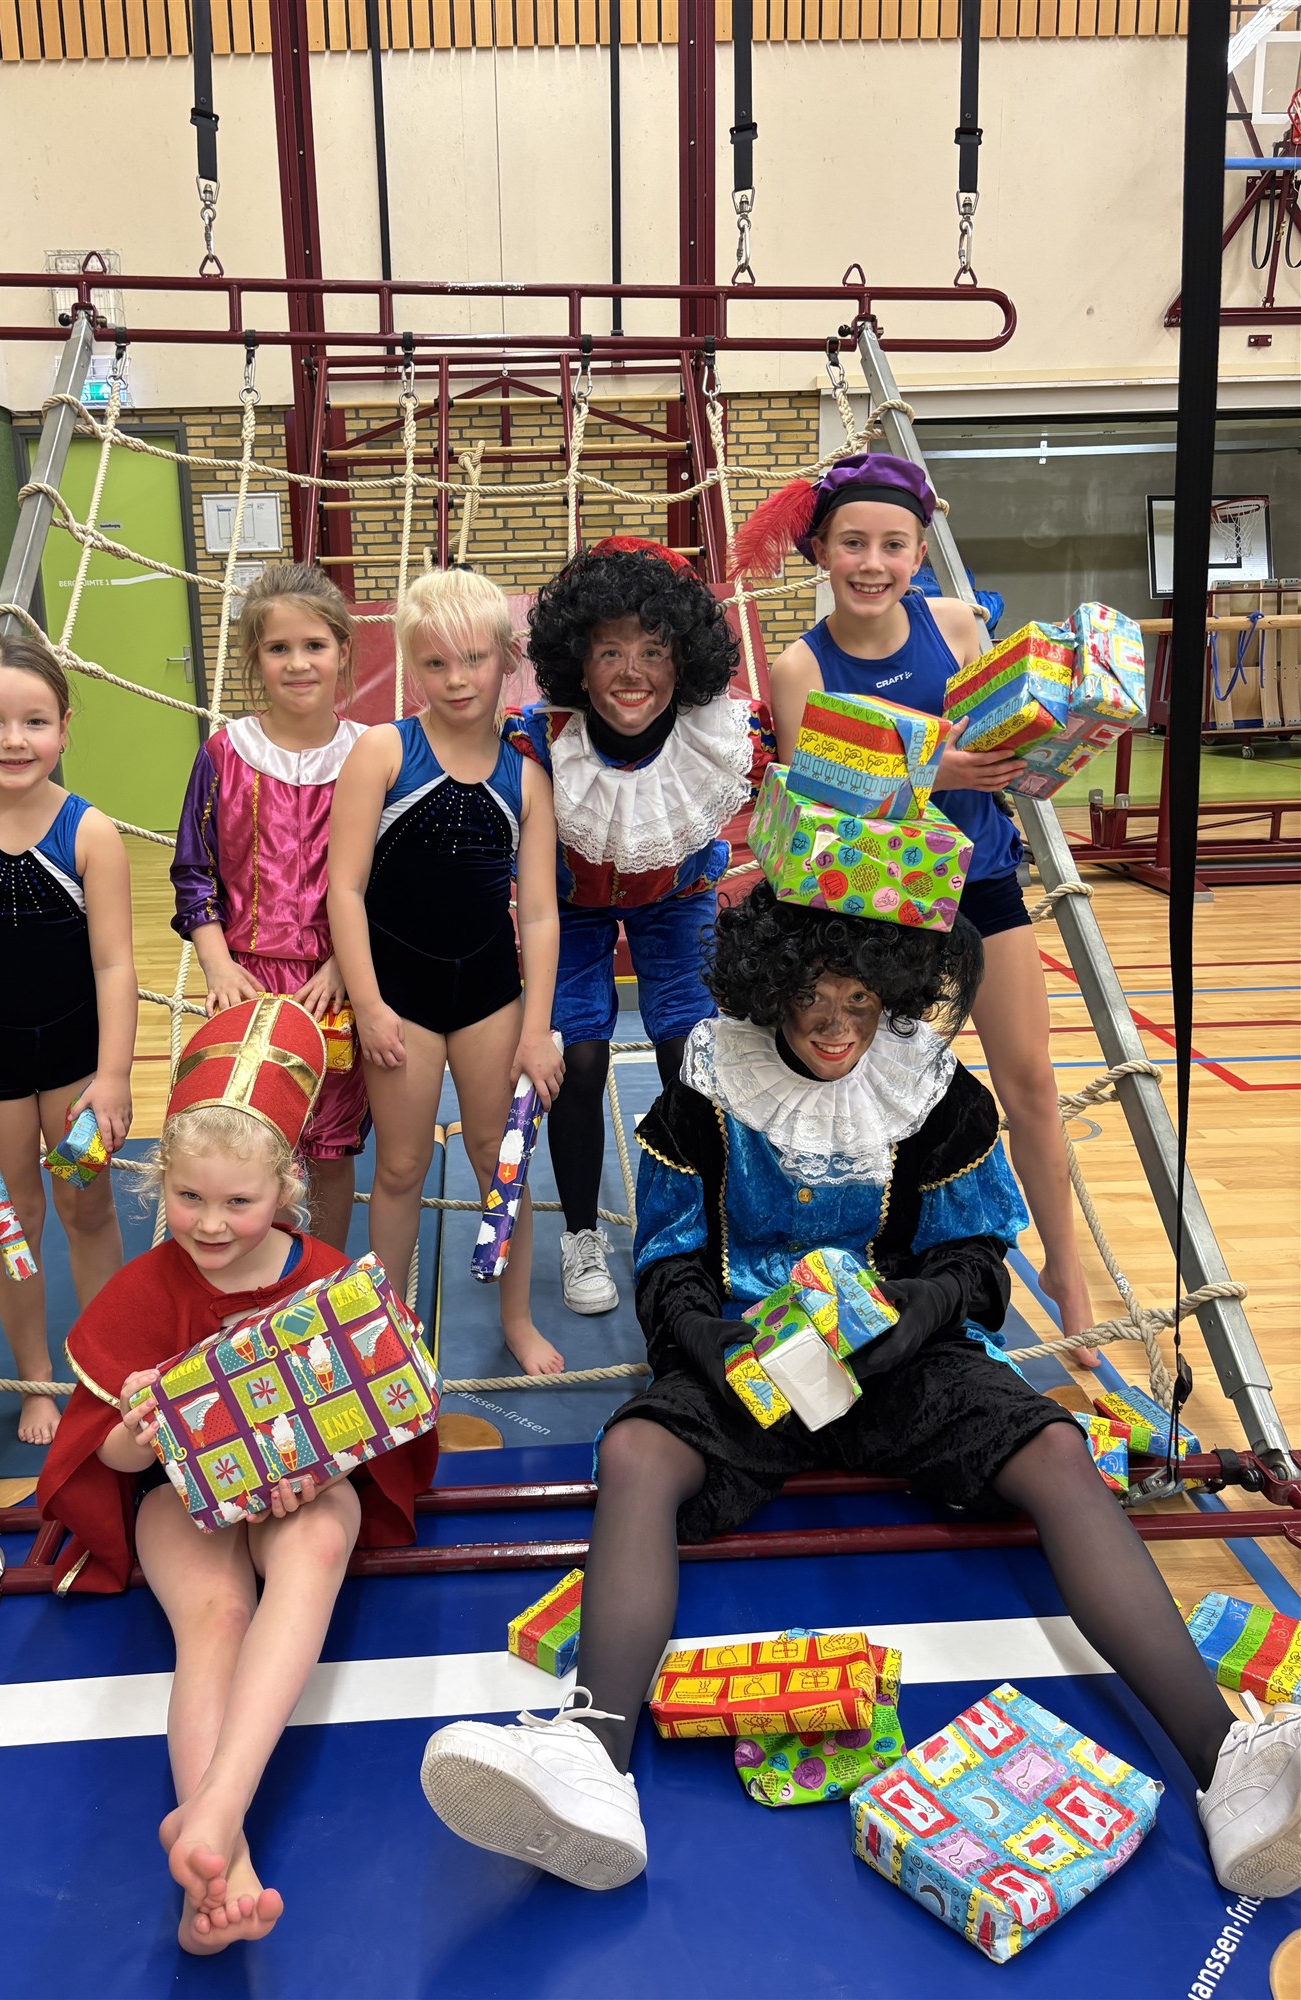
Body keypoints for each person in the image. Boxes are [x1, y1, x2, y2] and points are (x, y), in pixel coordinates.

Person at [418, 887, 1301, 1903]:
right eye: (811, 1000)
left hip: (902, 1362)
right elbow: (670, 1263)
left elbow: (977, 1261)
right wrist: (711, 1336)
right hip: (750, 1361)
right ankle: (592, 1758)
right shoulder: (707, 1084)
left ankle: (1228, 1763)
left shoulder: (935, 1092)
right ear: (768, 991)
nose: (836, 1028)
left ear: (893, 994)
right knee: (634, 1451)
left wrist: (920, 1310)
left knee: (1057, 1448)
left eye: (861, 1003)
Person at [37, 995, 438, 1955]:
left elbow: (374, 1420)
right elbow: (104, 1457)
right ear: (160, 1183)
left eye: (238, 1204)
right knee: (215, 1616)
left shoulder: (327, 1276)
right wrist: (141, 1431)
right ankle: (224, 1863)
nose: (210, 1225)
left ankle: (213, 1814)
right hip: (179, 1499)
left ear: (287, 1189)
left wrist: (324, 1463)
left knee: (319, 1539)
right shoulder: (145, 1289)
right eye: (189, 1199)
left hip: (300, 1490)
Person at [748, 453, 1096, 1362]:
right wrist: (941, 769)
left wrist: (1053, 742)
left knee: (1030, 1078)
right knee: (857, 1093)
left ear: (917, 552)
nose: (873, 564)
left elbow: (1008, 733)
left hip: (979, 879)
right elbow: (824, 803)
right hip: (875, 900)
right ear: (820, 551)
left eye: (894, 546)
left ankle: (1067, 1271)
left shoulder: (956, 623)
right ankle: (837, 1260)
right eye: (854, 544)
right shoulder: (799, 666)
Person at [508, 538, 774, 1318]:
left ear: (684, 660)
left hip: (676, 895)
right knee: (577, 1055)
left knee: (690, 1048)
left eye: (654, 651)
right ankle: (581, 1234)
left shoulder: (727, 733)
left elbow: (816, 774)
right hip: (570, 905)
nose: (632, 673)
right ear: (577, 662)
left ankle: (696, 1219)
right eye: (610, 652)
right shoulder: (538, 738)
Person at [328, 567, 565, 1376]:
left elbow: (538, 914)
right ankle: (387, 1328)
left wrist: (537, 1030)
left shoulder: (524, 777)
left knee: (502, 1160)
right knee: (399, 1166)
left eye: (473, 659)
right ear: (411, 667)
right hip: (400, 993)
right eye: (436, 663)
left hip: (489, 993)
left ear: (507, 659)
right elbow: (345, 888)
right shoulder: (384, 751)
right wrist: (368, 1003)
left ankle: (516, 1317)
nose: (457, 679)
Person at [0, 634, 135, 1446]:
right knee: (14, 1216)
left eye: (35, 722)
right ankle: (38, 1378)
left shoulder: (90, 832)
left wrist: (113, 1075)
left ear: (64, 727)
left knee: (88, 1208)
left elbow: (115, 965)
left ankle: (105, 1368)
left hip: (75, 1067)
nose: (14, 740)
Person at [171, 562, 370, 1251]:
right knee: (247, 1147)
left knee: (330, 1149)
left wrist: (345, 965)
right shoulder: (224, 753)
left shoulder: (371, 753)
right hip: (247, 983)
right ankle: (252, 1280)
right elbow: (193, 870)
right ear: (255, 657)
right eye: (279, 648)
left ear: (343, 650)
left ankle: (324, 1272)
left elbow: (383, 881)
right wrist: (217, 964)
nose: (298, 663)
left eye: (314, 645)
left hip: (335, 984)